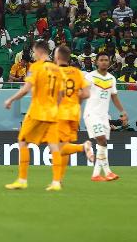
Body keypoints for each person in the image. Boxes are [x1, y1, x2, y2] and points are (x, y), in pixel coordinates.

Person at [3, 40, 61, 191]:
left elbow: (25, 89)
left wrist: (11, 99)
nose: (33, 55)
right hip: (53, 112)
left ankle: (22, 180)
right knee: (54, 146)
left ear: (39, 51)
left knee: (22, 141)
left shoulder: (36, 67)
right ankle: (56, 182)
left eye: (34, 52)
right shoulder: (56, 68)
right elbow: (60, 94)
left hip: (37, 111)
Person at [51, 46, 91, 189]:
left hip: (60, 113)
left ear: (57, 57)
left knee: (56, 148)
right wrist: (76, 103)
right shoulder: (77, 73)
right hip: (74, 113)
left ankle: (83, 147)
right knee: (64, 146)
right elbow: (86, 94)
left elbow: (57, 95)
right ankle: (59, 180)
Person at [83, 53, 126, 182]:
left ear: (109, 62)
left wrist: (123, 111)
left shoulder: (112, 79)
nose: (104, 62)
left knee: (102, 144)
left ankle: (96, 174)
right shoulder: (90, 77)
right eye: (101, 60)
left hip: (103, 116)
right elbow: (83, 92)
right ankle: (108, 172)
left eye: (106, 60)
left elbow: (114, 97)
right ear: (96, 62)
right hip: (91, 114)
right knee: (101, 139)